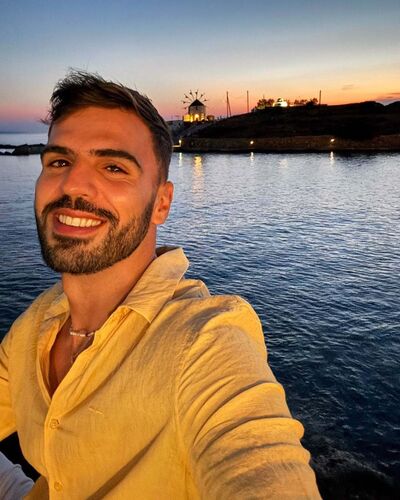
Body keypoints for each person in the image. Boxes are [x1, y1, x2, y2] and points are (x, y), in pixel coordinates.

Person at [0, 71, 321, 499]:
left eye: (113, 167)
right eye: (59, 161)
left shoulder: (206, 342)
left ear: (161, 203)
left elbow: (259, 462)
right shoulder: (35, 324)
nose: (72, 183)